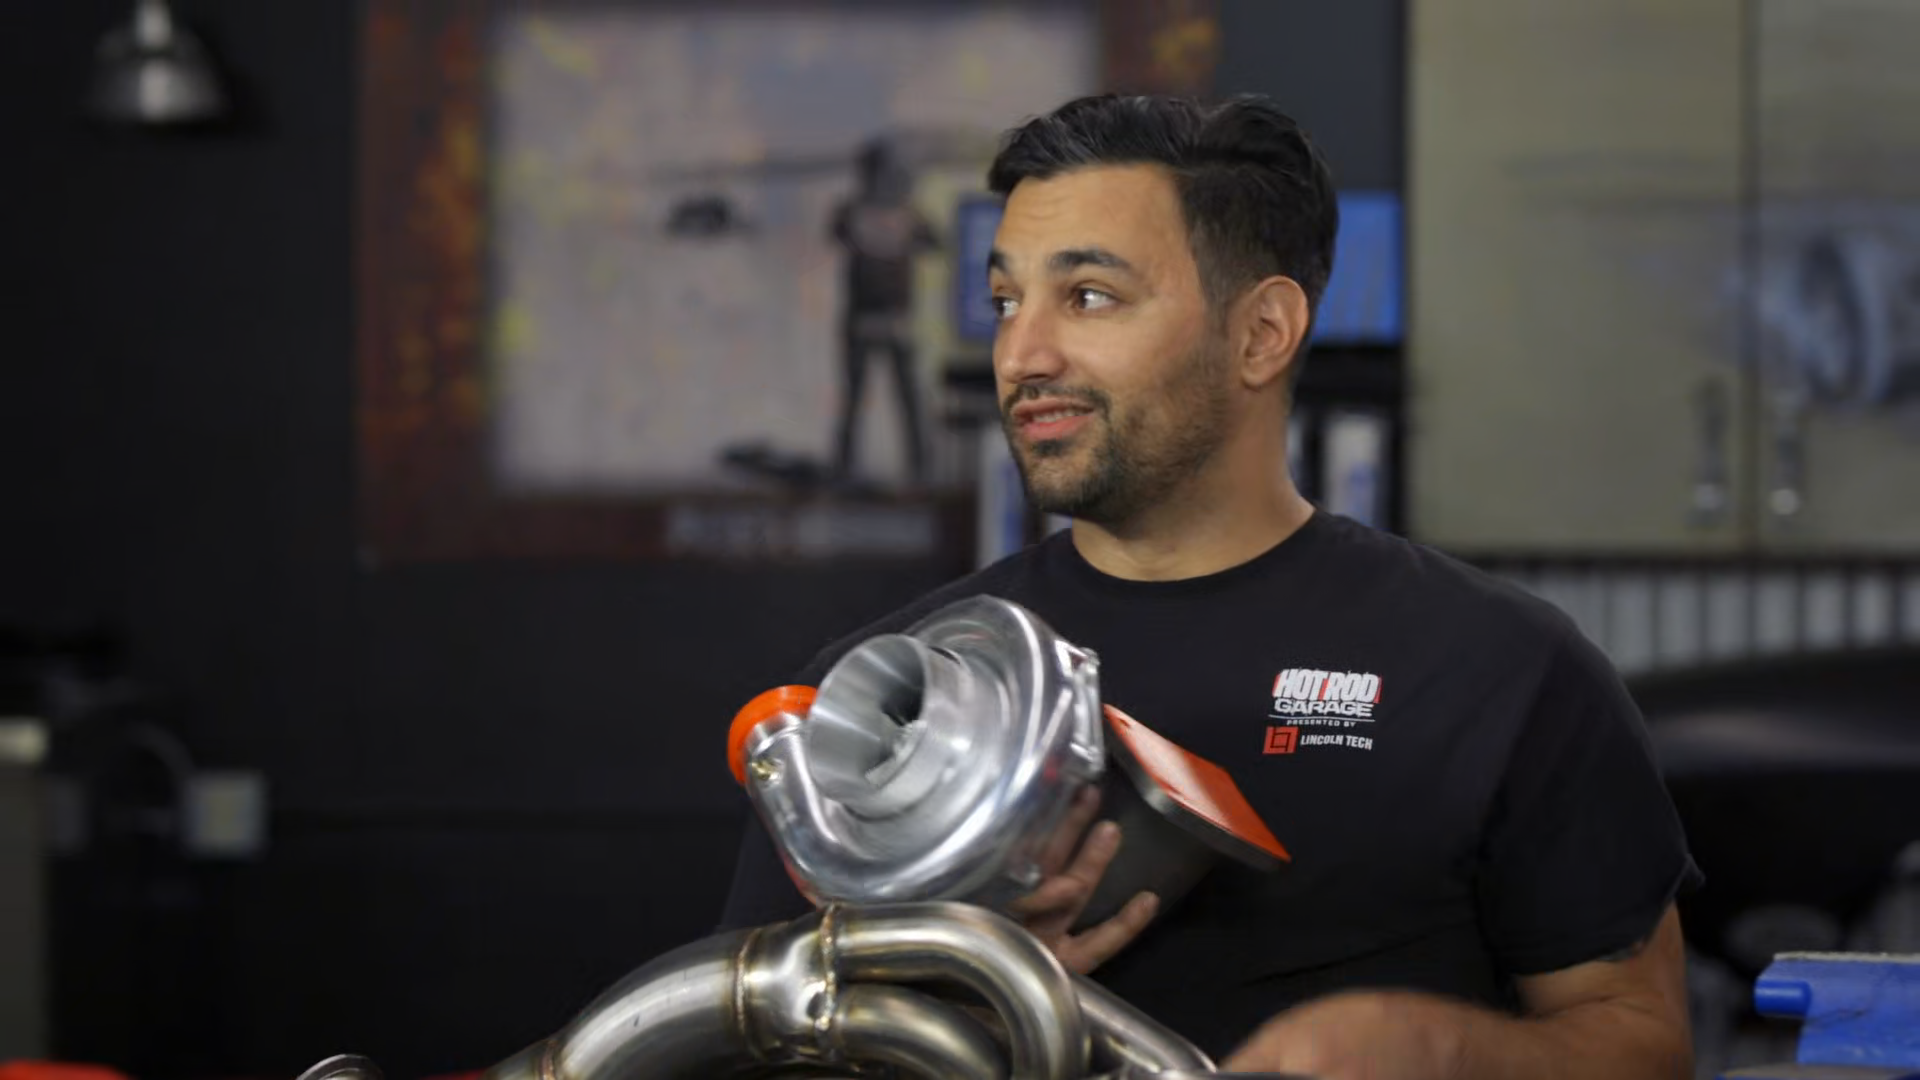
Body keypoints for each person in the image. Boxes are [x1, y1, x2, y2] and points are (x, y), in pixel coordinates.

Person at [721, 93, 1701, 1079]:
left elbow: (1642, 1040)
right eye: (1008, 301)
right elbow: (744, 1041)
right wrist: (946, 999)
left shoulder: (1503, 671)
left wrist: (1441, 1051)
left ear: (1262, 332)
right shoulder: (890, 697)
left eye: (1089, 296)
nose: (1022, 355)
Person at [829, 136, 940, 486]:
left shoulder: (904, 215)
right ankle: (846, 465)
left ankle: (918, 465)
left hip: (891, 318)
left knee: (904, 395)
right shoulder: (856, 214)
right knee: (859, 396)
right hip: (865, 318)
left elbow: (935, 241)